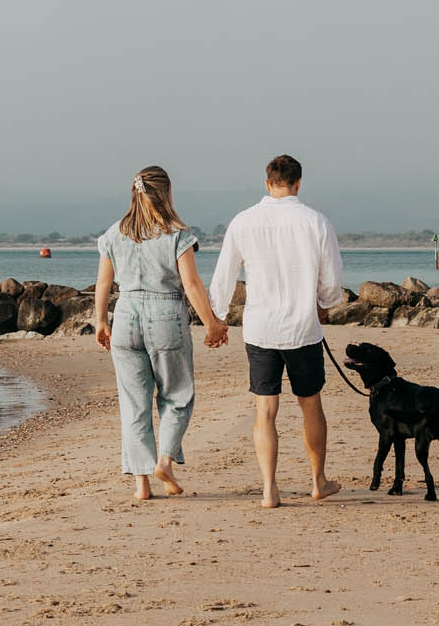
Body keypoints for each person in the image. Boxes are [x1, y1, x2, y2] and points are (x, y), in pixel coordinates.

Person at [208, 154, 345, 508]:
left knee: (265, 411)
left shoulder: (244, 221)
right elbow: (332, 279)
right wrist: (324, 304)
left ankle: (269, 489)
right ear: (299, 183)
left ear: (267, 183)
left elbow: (224, 274)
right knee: (310, 405)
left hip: (261, 329)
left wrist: (217, 318)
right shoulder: (316, 221)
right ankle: (318, 481)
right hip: (303, 328)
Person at [93, 166, 228, 502]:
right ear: (167, 193)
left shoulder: (114, 233)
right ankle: (165, 461)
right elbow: (191, 283)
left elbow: (103, 282)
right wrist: (211, 323)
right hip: (166, 315)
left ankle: (141, 484)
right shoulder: (177, 234)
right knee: (177, 395)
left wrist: (101, 320)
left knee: (133, 404)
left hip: (126, 315)